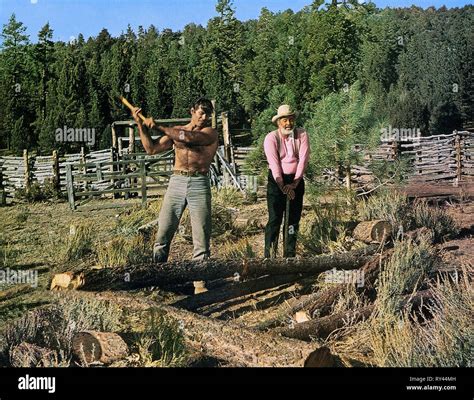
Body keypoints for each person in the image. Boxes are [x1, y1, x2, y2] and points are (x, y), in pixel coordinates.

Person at [131, 98, 218, 262]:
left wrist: (159, 127)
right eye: (201, 113)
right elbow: (151, 149)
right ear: (192, 111)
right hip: (176, 181)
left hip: (199, 183)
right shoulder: (176, 131)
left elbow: (190, 138)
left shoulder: (210, 133)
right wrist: (141, 125)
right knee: (164, 229)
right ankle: (158, 273)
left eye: (208, 114)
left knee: (201, 235)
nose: (205, 117)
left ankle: (200, 282)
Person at [263, 104, 310, 258]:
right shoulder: (271, 138)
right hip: (278, 181)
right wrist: (283, 186)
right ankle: (270, 257)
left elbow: (303, 159)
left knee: (292, 220)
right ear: (278, 122)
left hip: (296, 179)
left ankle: (289, 256)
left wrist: (295, 183)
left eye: (291, 119)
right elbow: (274, 163)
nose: (288, 123)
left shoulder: (302, 135)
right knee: (275, 219)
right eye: (284, 120)